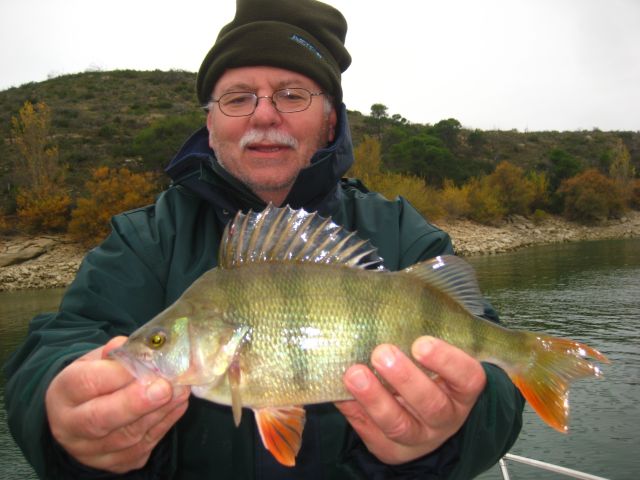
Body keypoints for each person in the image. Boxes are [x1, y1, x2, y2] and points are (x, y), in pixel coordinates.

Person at [4, 0, 524, 478]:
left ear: (330, 121)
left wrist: (452, 431)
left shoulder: (404, 233)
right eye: (237, 98)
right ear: (210, 126)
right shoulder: (144, 240)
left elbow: (497, 383)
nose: (264, 114)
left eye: (292, 95)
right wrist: (57, 412)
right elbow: (58, 344)